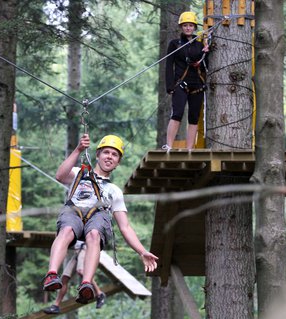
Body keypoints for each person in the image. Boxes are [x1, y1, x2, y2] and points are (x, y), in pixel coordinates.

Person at [42, 134, 158, 304]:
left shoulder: (114, 191)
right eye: (106, 152)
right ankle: (52, 274)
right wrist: (79, 149)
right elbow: (60, 176)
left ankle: (87, 284)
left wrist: (141, 251)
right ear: (97, 155)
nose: (109, 157)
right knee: (66, 229)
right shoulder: (78, 173)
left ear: (118, 163)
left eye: (114, 154)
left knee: (95, 234)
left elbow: (125, 227)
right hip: (74, 210)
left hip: (97, 217)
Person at [164, 11, 209, 152]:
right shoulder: (175, 44)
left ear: (194, 27)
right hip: (180, 85)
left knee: (194, 117)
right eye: (185, 25)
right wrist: (169, 86)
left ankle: (190, 148)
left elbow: (205, 65)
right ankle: (169, 146)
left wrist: (205, 53)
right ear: (181, 27)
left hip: (197, 85)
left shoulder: (200, 44)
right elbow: (168, 65)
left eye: (190, 25)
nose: (188, 28)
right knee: (177, 113)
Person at [43, 241, 106, 314]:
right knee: (64, 278)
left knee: (81, 271)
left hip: (84, 249)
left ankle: (99, 293)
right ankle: (55, 306)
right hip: (77, 252)